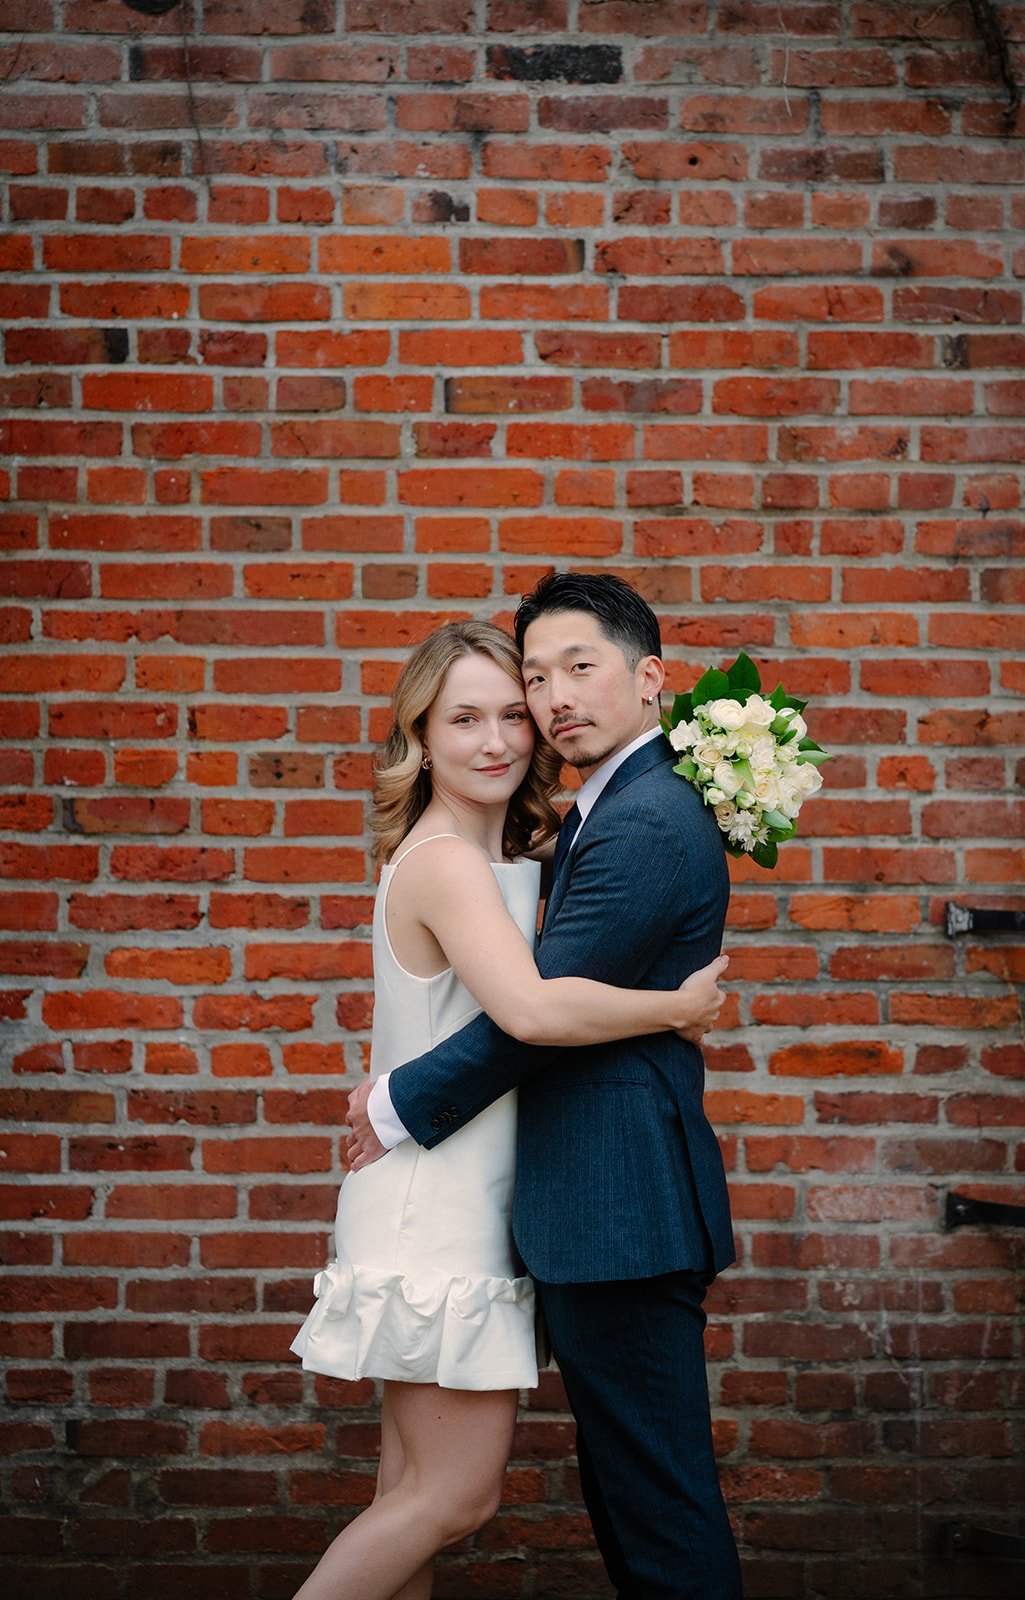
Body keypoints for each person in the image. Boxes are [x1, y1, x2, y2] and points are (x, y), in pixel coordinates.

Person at [291, 618, 730, 1600]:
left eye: (509, 714)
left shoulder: (516, 851)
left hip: (451, 1188)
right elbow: (529, 1011)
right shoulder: (446, 860)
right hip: (433, 1202)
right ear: (419, 736)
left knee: (408, 1496)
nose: (493, 740)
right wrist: (676, 1005)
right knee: (448, 1499)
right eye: (462, 720)